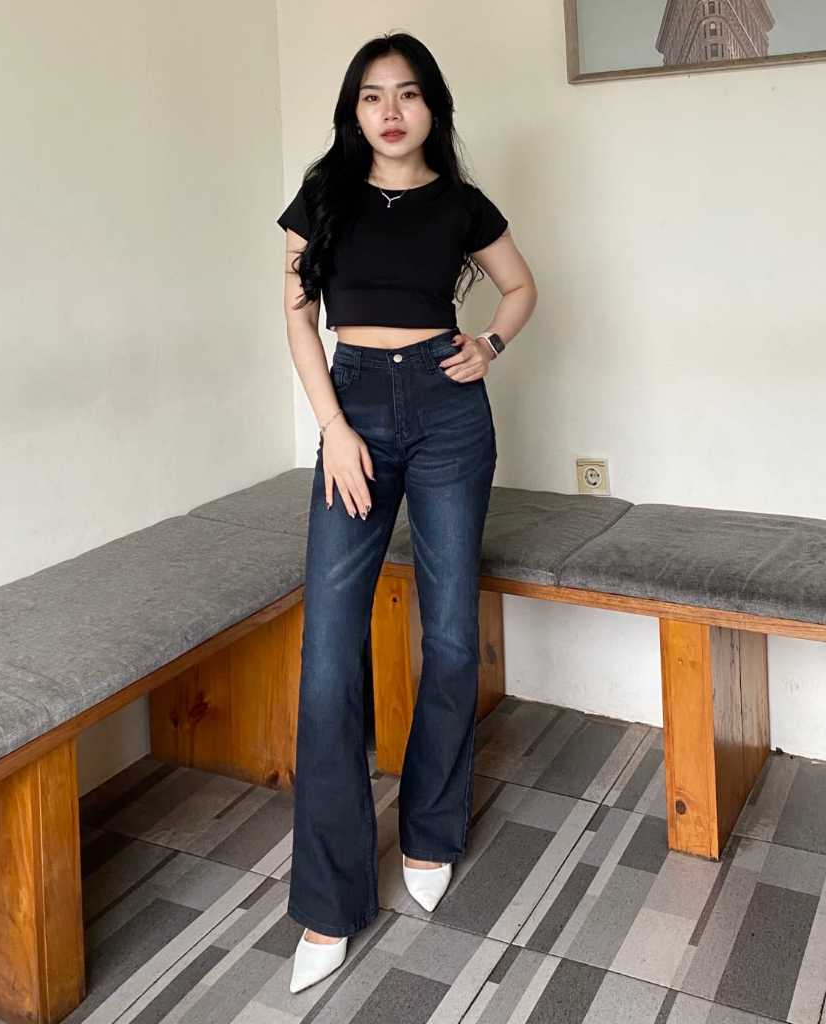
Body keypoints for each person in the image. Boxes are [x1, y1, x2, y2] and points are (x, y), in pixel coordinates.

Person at [277, 31, 537, 993]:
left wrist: (489, 346)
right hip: (353, 412)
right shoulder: (323, 195)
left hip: (447, 413)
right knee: (328, 657)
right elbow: (297, 317)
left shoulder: (462, 204)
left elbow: (521, 287)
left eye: (409, 93)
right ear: (354, 111)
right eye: (372, 95)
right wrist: (334, 429)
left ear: (433, 108)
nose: (391, 111)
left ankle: (431, 829)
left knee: (453, 636)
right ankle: (329, 900)